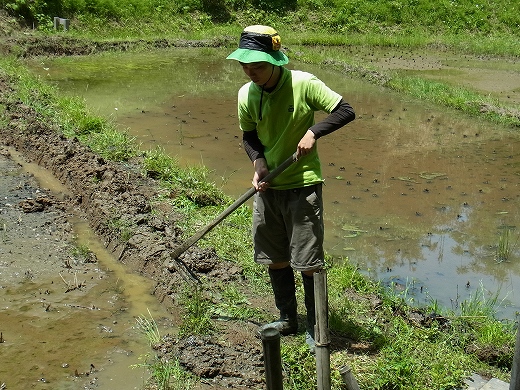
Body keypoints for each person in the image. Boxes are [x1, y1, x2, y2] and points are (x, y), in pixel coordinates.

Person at [226, 25, 355, 352]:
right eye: (245, 66)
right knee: (275, 257)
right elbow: (249, 136)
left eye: (257, 66)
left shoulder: (303, 84)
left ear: (275, 61)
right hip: (269, 188)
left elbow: (345, 110)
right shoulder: (246, 94)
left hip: (302, 186)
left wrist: (314, 132)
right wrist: (258, 163)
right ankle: (287, 318)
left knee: (308, 261)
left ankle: (316, 325)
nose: (250, 72)